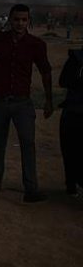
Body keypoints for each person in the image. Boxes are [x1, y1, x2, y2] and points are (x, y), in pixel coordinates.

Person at [0, 4, 53, 203]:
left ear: (28, 21)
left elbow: (46, 71)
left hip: (23, 103)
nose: (20, 23)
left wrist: (48, 100)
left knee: (28, 143)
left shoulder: (36, 44)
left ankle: (31, 189)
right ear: (10, 19)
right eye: (16, 19)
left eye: (24, 20)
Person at [58, 46, 83, 197]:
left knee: (70, 150)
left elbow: (63, 81)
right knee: (70, 149)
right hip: (75, 110)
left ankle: (71, 183)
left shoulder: (76, 58)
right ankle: (71, 183)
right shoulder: (76, 58)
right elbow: (63, 81)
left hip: (73, 110)